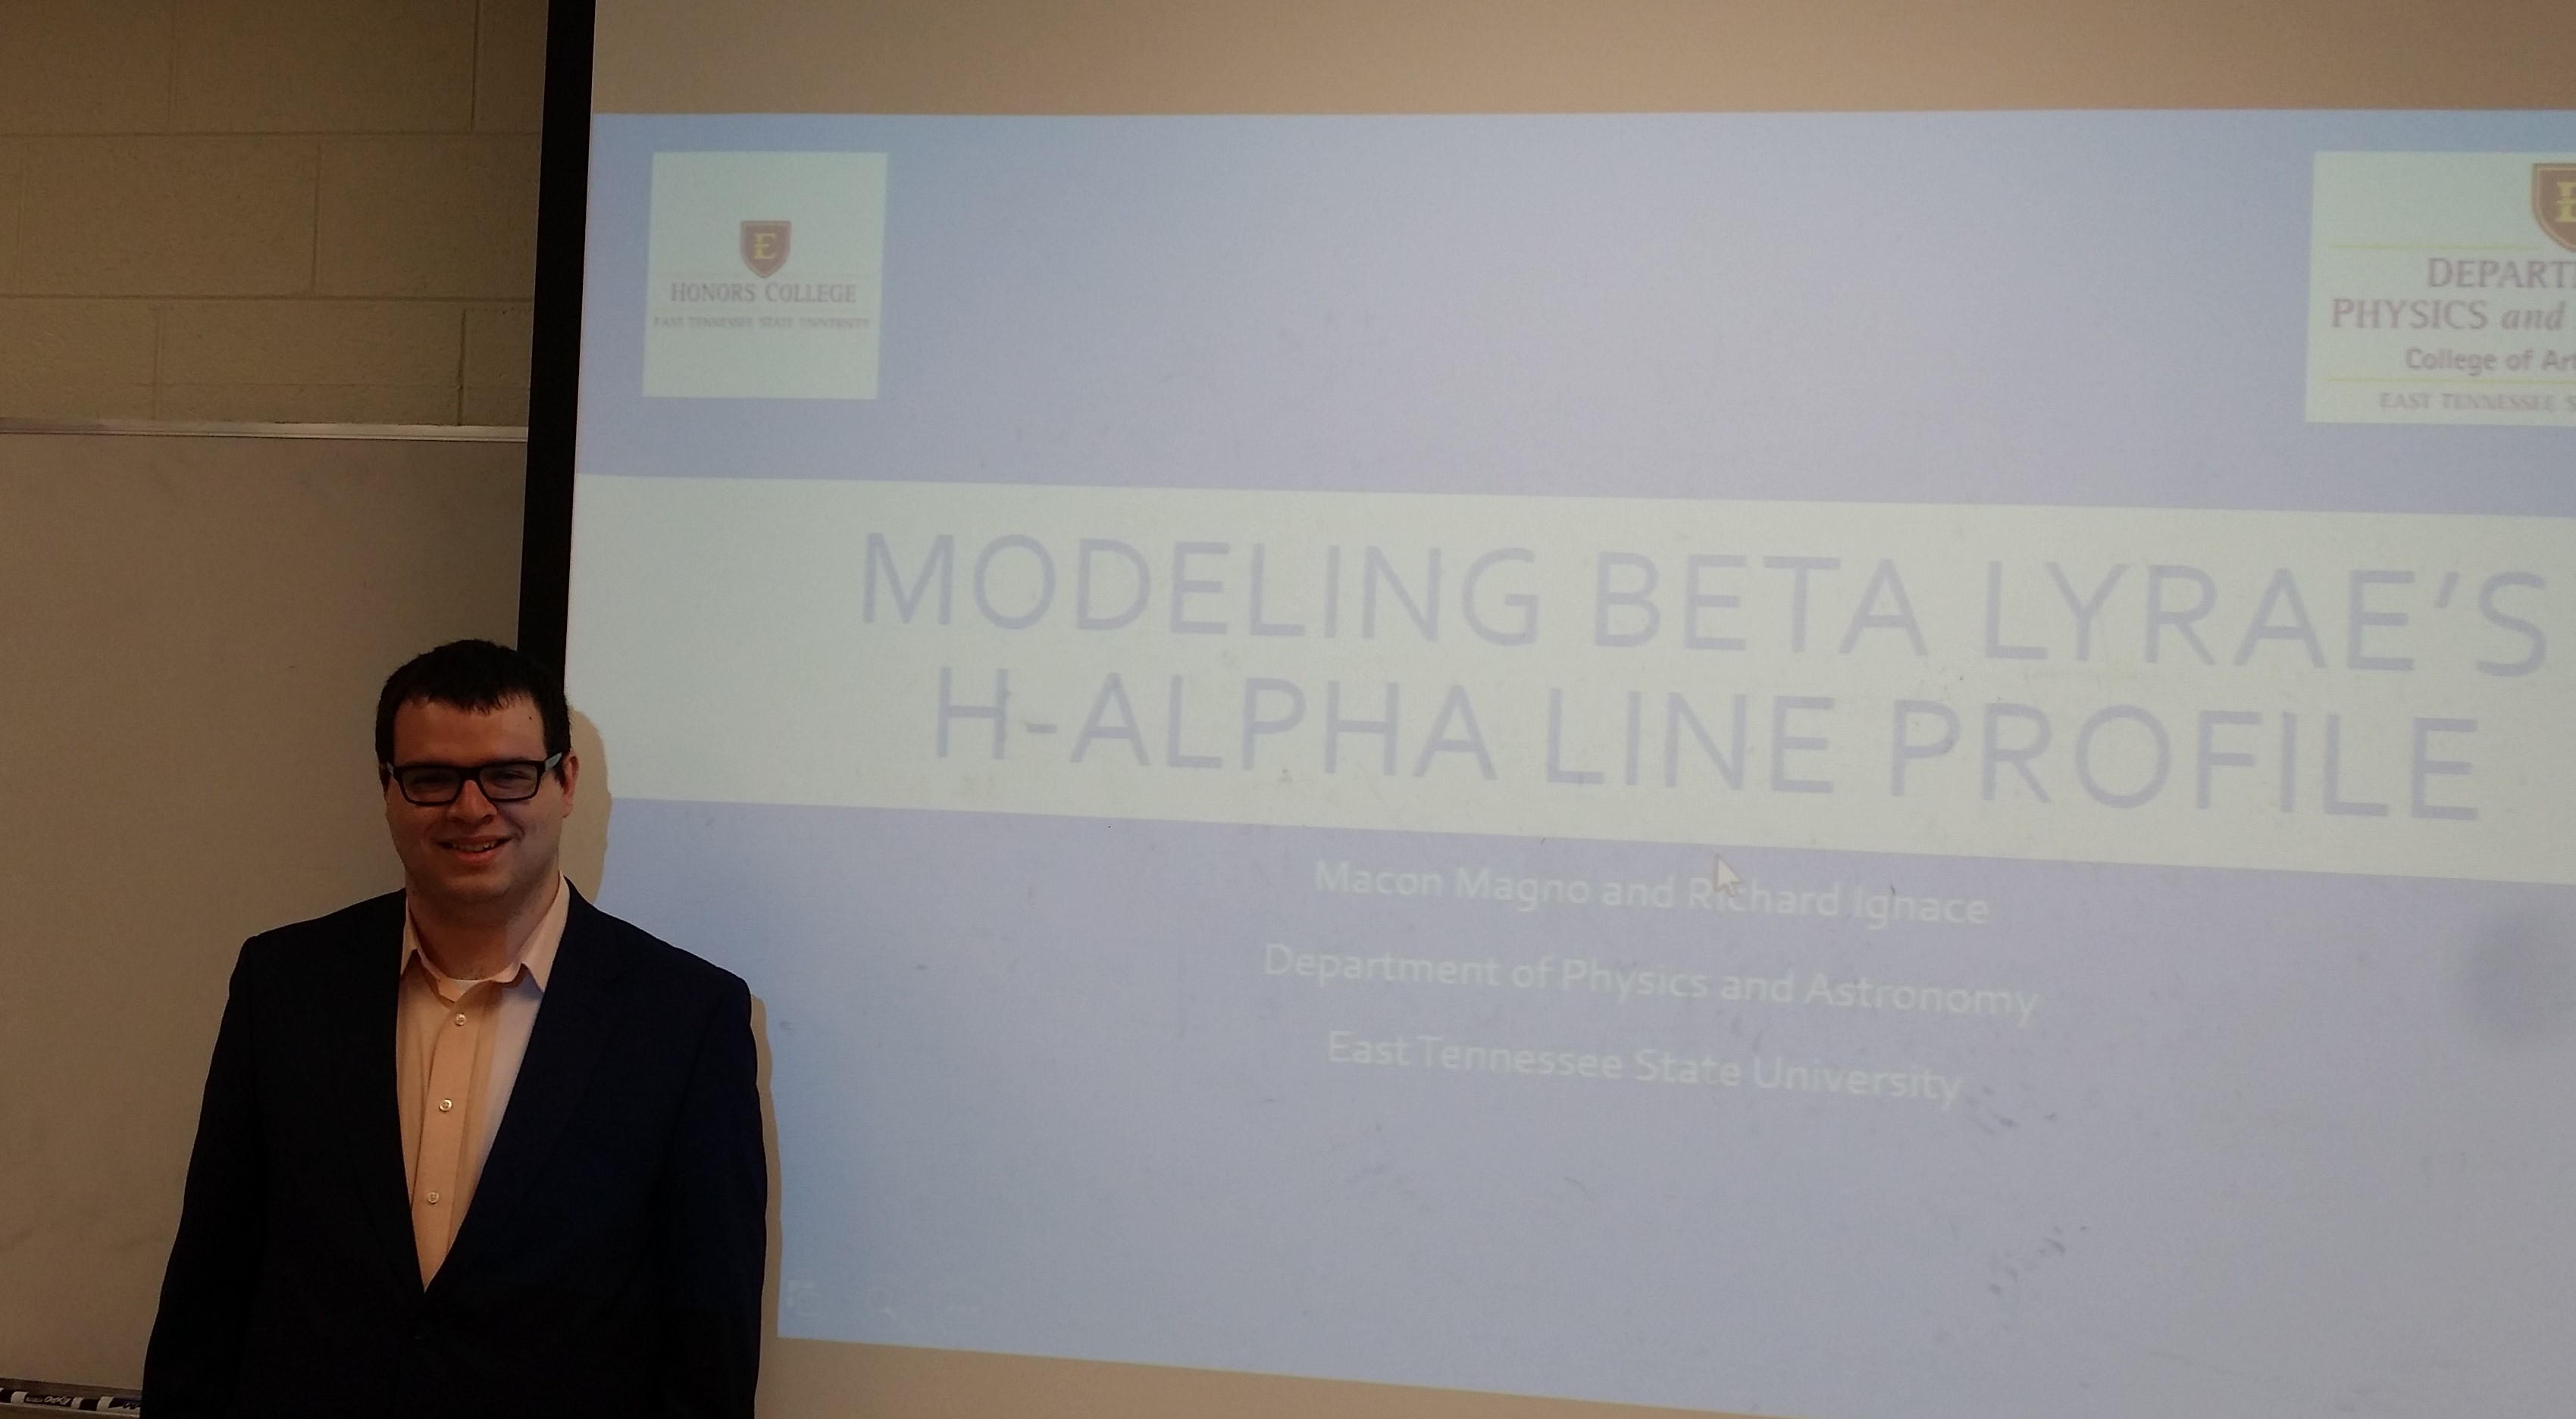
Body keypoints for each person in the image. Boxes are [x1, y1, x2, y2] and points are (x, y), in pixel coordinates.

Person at [143, 639, 765, 1417]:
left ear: (566, 781)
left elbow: (710, 1337)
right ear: (387, 787)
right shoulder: (285, 984)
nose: (472, 808)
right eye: (433, 778)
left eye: (508, 774)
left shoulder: (684, 1016)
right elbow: (211, 1279)